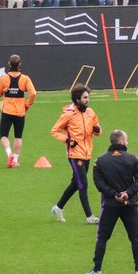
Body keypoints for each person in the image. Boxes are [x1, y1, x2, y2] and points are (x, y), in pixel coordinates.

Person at [85, 129, 138, 274]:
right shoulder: (132, 158)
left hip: (110, 205)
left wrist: (114, 194)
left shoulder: (100, 161)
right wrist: (128, 193)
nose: (127, 142)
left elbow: (99, 183)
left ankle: (97, 269)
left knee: (102, 237)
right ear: (121, 142)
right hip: (129, 204)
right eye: (126, 139)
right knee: (135, 237)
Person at [50, 85, 101, 224]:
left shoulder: (90, 112)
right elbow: (54, 131)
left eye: (88, 97)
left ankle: (58, 207)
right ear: (77, 99)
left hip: (87, 153)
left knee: (75, 183)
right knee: (83, 184)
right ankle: (90, 217)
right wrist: (67, 140)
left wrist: (97, 130)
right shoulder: (68, 114)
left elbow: (98, 130)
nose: (87, 100)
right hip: (75, 154)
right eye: (85, 97)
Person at [0, 54, 37, 168]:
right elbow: (33, 93)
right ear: (19, 65)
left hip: (7, 112)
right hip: (20, 112)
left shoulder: (3, 78)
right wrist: (27, 105)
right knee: (18, 137)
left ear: (9, 64)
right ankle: (15, 160)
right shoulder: (25, 78)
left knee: (3, 135)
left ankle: (10, 155)